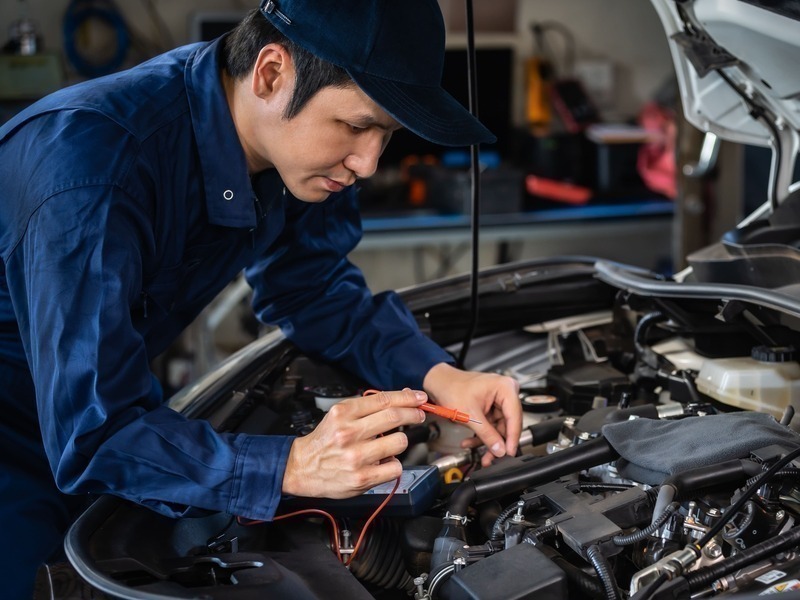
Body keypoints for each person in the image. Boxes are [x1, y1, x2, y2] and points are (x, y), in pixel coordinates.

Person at [0, 1, 522, 597]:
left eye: (387, 134)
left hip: (92, 404)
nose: (368, 163)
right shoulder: (92, 169)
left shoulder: (303, 155)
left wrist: (437, 374)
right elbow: (95, 435)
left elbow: (313, 287)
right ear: (272, 73)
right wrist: (293, 465)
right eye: (355, 126)